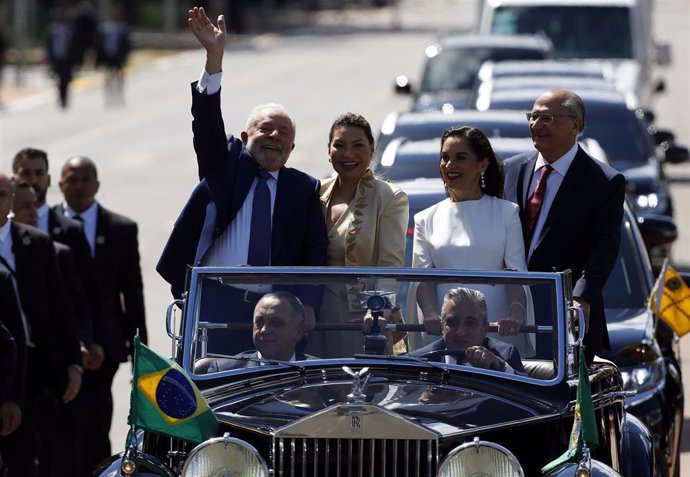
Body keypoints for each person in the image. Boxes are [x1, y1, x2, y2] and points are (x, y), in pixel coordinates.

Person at [156, 7, 327, 353]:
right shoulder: (227, 163)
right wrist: (214, 59)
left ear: (291, 148)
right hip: (215, 301)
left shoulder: (303, 188)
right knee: (208, 390)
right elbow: (205, 124)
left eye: (283, 133)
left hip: (274, 313)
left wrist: (308, 302)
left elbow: (314, 252)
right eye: (266, 128)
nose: (275, 136)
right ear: (245, 136)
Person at [502, 88, 625, 363]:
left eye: (547, 119)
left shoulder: (602, 182)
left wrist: (581, 298)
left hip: (563, 317)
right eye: (532, 117)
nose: (536, 125)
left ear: (575, 125)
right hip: (510, 316)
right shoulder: (510, 169)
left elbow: (604, 247)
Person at [55, 156, 147, 475]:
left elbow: (132, 293)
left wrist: (140, 355)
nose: (79, 187)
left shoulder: (120, 229)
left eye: (85, 180)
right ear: (60, 185)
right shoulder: (44, 226)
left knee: (96, 427)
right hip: (59, 348)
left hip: (104, 350)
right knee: (62, 432)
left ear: (97, 185)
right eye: (72, 180)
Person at [411, 126, 531, 354]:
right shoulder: (425, 219)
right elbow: (422, 279)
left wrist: (516, 315)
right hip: (445, 334)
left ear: (482, 164)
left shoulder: (507, 212)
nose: (449, 165)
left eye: (460, 158)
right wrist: (429, 313)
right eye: (445, 158)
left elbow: (515, 275)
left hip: (497, 331)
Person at [306, 113, 408, 358]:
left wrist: (379, 312)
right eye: (339, 145)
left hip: (362, 317)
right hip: (313, 314)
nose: (348, 154)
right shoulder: (314, 191)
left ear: (372, 149)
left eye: (358, 146)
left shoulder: (389, 197)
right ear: (328, 151)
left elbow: (390, 264)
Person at [0, 173, 82, 477]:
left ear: (10, 200)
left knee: (34, 452)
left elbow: (60, 308)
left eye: (2, 194)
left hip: (35, 362)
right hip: (2, 359)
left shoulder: (36, 242)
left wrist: (74, 361)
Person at [12, 148, 99, 368]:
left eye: (39, 174)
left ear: (49, 179)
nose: (33, 181)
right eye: (26, 174)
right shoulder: (6, 239)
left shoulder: (68, 235)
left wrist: (86, 342)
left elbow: (84, 298)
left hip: (58, 354)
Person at [410, 287, 525, 374]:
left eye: (470, 322)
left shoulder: (505, 355)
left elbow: (528, 393)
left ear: (485, 328)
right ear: (442, 326)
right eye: (452, 322)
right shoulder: (418, 360)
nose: (460, 331)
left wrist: (500, 368)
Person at [206, 292, 313, 372]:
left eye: (275, 323)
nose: (264, 330)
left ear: (299, 332)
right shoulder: (224, 372)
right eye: (259, 322)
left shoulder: (318, 372)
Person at [95, 9, 131, 105]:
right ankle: (109, 93)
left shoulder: (122, 29)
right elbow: (100, 44)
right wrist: (99, 58)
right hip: (108, 55)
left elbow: (127, 44)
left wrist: (126, 55)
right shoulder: (106, 28)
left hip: (118, 55)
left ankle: (119, 92)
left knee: (119, 75)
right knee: (108, 74)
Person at [46, 7, 77, 109]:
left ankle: (65, 97)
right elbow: (49, 45)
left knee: (66, 79)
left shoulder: (70, 31)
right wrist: (49, 58)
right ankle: (61, 98)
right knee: (59, 79)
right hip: (57, 58)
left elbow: (75, 46)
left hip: (67, 59)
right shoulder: (53, 30)